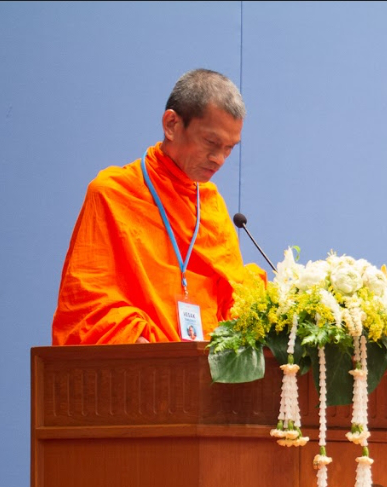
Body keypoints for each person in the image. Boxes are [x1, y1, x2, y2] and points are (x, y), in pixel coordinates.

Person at [51, 69, 266, 345]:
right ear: (172, 124)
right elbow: (87, 306)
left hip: (206, 366)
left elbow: (231, 302)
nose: (219, 159)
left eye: (229, 148)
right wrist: (142, 350)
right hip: (143, 365)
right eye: (211, 143)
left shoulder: (210, 204)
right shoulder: (113, 193)